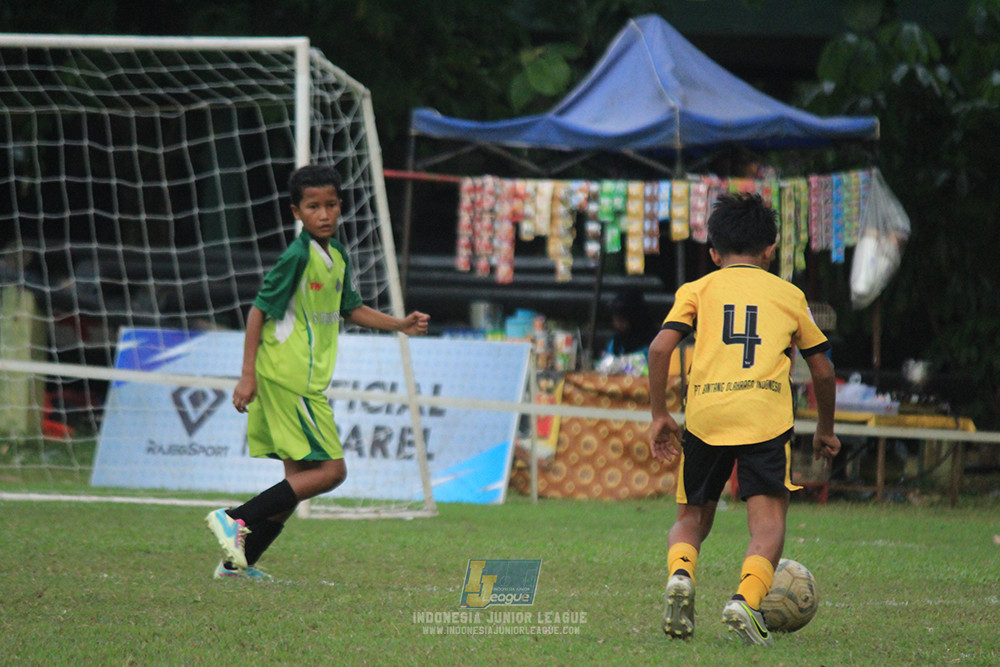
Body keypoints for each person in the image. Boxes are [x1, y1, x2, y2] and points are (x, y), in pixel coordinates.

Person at [205, 164, 430, 579]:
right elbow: (257, 312)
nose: (323, 214)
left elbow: (351, 309)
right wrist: (247, 375)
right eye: (313, 207)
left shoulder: (338, 255)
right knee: (332, 472)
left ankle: (236, 565)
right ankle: (234, 517)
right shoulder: (297, 256)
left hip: (300, 381)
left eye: (330, 205)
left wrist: (400, 324)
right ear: (297, 213)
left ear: (340, 206)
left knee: (298, 479)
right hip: (288, 379)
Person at [647, 192, 840, 645]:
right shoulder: (791, 295)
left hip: (706, 415)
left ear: (713, 252)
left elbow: (659, 349)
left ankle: (681, 574)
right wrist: (825, 429)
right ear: (771, 249)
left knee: (691, 515)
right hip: (764, 419)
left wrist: (659, 415)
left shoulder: (697, 289)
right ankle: (746, 601)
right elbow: (823, 369)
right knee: (768, 524)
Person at [605, 287, 659, 359]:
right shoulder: (616, 343)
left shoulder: (653, 344)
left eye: (622, 321)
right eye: (615, 320)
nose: (617, 325)